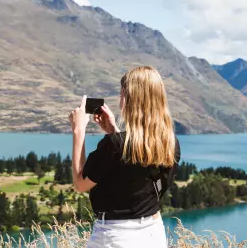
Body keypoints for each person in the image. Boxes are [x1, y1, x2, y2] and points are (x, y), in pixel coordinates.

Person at [68, 66, 180, 248]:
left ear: (131, 99)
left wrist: (78, 131)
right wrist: (113, 130)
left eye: (121, 95)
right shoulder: (170, 143)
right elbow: (135, 170)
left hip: (116, 236)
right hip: (153, 234)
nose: (120, 100)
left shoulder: (114, 145)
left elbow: (80, 184)